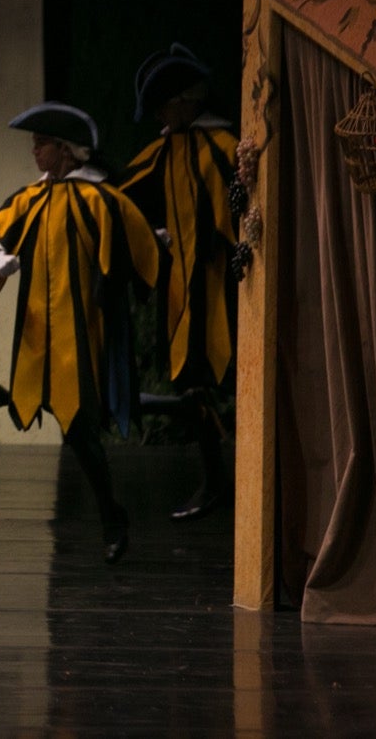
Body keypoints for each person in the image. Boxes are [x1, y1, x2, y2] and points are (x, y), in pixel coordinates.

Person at [0, 103, 161, 563]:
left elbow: (139, 242)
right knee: (52, 408)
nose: (34, 150)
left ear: (67, 151)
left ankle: (113, 517)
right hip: (37, 328)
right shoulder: (32, 197)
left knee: (79, 426)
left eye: (42, 143)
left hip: (83, 331)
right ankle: (112, 514)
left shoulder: (98, 198)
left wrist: (156, 243)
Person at [118, 44, 239, 519]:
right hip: (184, 295)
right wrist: (154, 234)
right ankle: (215, 485)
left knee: (241, 385)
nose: (161, 117)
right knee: (195, 387)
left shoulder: (229, 148)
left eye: (166, 106)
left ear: (188, 101)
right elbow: (121, 200)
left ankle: (262, 486)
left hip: (231, 289)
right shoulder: (164, 151)